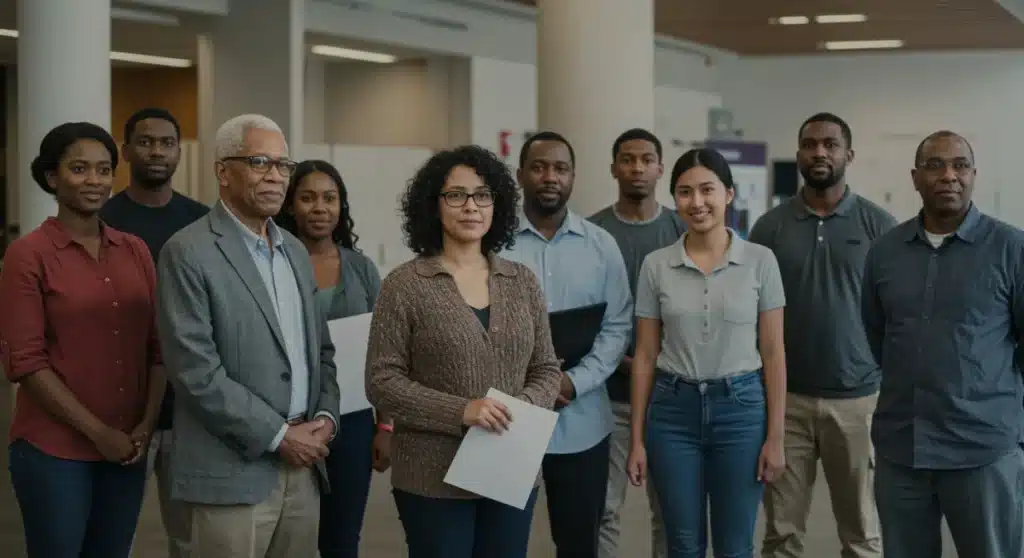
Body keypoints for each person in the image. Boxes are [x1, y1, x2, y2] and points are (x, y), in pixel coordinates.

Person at [155, 114, 340, 558]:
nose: (275, 176)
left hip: (305, 465)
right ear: (223, 171)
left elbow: (322, 351)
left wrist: (326, 419)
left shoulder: (295, 251)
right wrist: (279, 436)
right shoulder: (188, 251)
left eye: (282, 165)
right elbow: (196, 372)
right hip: (230, 472)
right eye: (260, 162)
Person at [365, 144, 562, 558]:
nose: (471, 206)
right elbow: (381, 383)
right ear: (434, 206)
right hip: (431, 477)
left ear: (498, 205)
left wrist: (519, 409)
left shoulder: (521, 281)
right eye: (456, 195)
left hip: (510, 467)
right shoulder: (405, 285)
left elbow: (546, 368)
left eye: (482, 195)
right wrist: (461, 411)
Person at [0, 122, 164, 558]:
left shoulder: (135, 250)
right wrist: (99, 433)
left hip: (128, 446)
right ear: (53, 178)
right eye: (79, 169)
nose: (94, 181)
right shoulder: (27, 255)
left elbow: (158, 349)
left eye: (104, 170)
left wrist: (145, 425)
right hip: (54, 450)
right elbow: (25, 362)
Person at [861, 130, 1024, 558]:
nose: (948, 175)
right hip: (902, 449)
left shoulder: (1011, 248)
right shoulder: (885, 252)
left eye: (960, 165)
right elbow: (879, 334)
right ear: (915, 178)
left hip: (983, 451)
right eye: (935, 165)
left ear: (973, 175)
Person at [626, 147, 787, 558]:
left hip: (741, 410)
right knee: (682, 544)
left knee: (735, 546)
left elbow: (772, 351)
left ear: (728, 195)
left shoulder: (760, 261)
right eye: (684, 192)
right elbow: (644, 356)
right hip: (672, 413)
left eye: (707, 190)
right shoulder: (656, 265)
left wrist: (776, 437)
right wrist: (637, 441)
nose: (696, 203)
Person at [750, 113, 891, 558]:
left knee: (862, 533)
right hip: (785, 403)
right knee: (781, 534)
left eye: (830, 144)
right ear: (798, 155)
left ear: (848, 155)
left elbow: (896, 312)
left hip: (857, 402)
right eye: (810, 144)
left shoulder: (878, 226)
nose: (819, 153)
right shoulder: (769, 228)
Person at [502, 131, 632, 558]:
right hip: (507, 415)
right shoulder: (493, 244)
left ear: (573, 177)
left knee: (579, 544)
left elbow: (617, 329)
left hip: (581, 420)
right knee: (500, 540)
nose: (550, 177)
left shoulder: (600, 246)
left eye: (560, 168)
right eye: (539, 167)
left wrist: (573, 383)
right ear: (520, 174)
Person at [100, 107, 209, 558]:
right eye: (146, 142)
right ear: (126, 151)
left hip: (190, 408)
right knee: (111, 536)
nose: (157, 151)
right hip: (121, 406)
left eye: (167, 143)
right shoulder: (102, 220)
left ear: (179, 151)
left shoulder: (202, 222)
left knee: (190, 539)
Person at [274, 159, 389, 558]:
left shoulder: (361, 269)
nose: (319, 208)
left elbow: (384, 351)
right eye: (307, 198)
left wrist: (385, 426)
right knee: (289, 536)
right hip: (289, 417)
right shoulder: (275, 263)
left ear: (341, 207)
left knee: (342, 539)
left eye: (329, 198)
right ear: (290, 206)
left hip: (354, 419)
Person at [589, 128, 682, 558]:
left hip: (671, 399)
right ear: (614, 168)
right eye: (628, 159)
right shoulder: (592, 233)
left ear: (660, 168)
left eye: (647, 159)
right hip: (608, 399)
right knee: (603, 510)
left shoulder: (682, 228)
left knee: (671, 513)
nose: (637, 168)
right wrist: (620, 359)